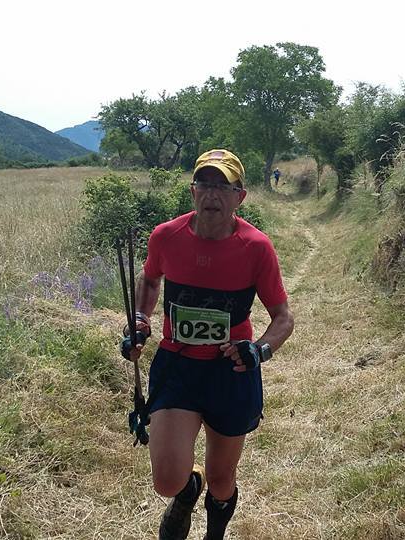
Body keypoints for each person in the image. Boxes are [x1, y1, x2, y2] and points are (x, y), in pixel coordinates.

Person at [122, 149, 294, 540]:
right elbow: (150, 282)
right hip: (177, 366)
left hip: (230, 373)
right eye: (205, 183)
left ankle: (214, 533)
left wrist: (259, 350)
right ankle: (186, 493)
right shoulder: (166, 236)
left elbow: (283, 318)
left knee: (221, 479)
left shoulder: (256, 247)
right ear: (192, 191)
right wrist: (140, 321)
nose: (212, 194)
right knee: (166, 480)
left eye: (223, 186)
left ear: (240, 196)